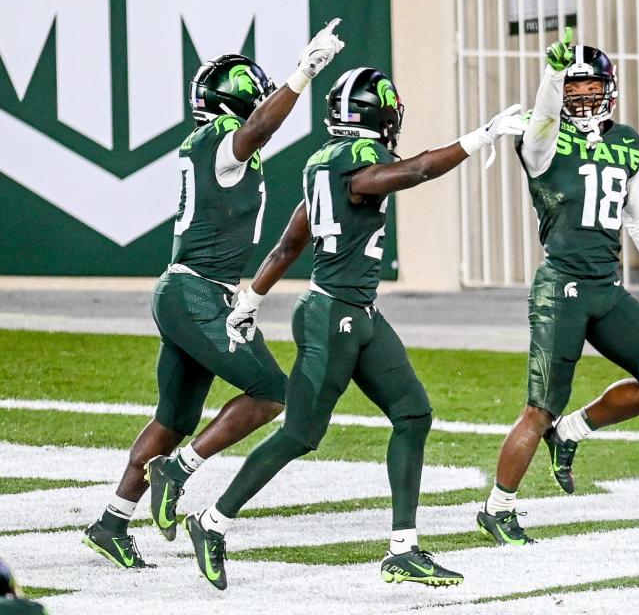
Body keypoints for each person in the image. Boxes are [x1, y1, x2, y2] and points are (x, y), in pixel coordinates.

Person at [182, 66, 527, 589]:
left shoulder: (322, 159)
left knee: (413, 413)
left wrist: (251, 300)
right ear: (381, 111)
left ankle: (403, 548)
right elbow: (407, 173)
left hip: (359, 310)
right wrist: (478, 138)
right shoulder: (357, 161)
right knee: (300, 434)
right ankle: (212, 521)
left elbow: (288, 244)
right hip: (333, 314)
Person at [81, 20, 345, 569]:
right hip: (196, 293)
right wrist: (303, 74)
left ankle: (111, 521)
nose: (264, 103)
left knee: (173, 418)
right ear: (240, 98)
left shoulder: (210, 146)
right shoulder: (219, 142)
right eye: (259, 94)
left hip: (197, 291)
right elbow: (257, 132)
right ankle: (181, 469)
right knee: (272, 391)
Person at [476, 27, 639, 545]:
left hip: (606, 286)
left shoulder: (625, 140)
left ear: (608, 89)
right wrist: (550, 76)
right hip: (561, 289)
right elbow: (538, 129)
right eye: (572, 89)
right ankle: (497, 508)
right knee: (538, 409)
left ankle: (572, 433)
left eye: (588, 87)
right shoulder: (543, 141)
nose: (581, 97)